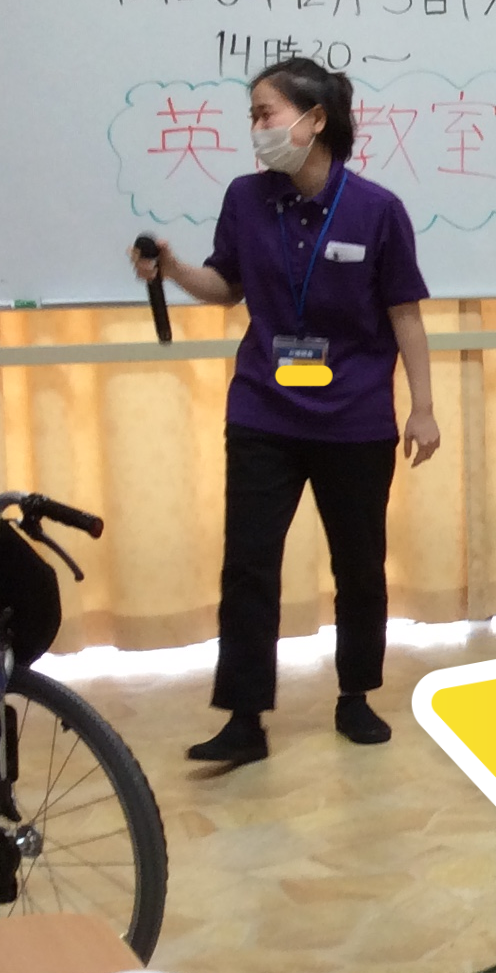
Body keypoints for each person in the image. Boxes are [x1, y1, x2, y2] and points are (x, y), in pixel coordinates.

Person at [132, 59, 440, 768]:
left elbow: (406, 315)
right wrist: (173, 269)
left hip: (355, 417)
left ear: (314, 119)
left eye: (265, 114)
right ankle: (245, 717)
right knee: (248, 563)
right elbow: (226, 285)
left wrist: (422, 408)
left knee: (358, 564)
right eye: (253, 116)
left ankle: (355, 695)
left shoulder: (377, 210)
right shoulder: (246, 198)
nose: (257, 129)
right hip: (264, 410)